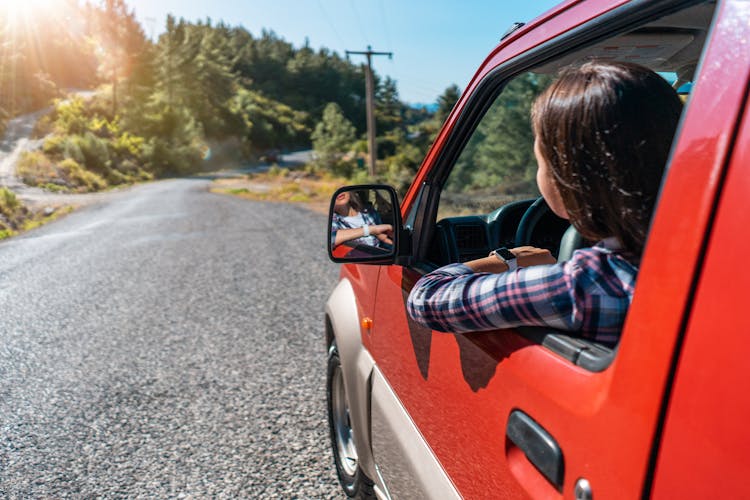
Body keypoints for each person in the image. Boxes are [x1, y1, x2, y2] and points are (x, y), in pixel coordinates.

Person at [407, 61, 683, 346]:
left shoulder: (582, 286)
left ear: (570, 180)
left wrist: (506, 260)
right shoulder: (715, 253)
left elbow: (425, 298)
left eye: (540, 163)